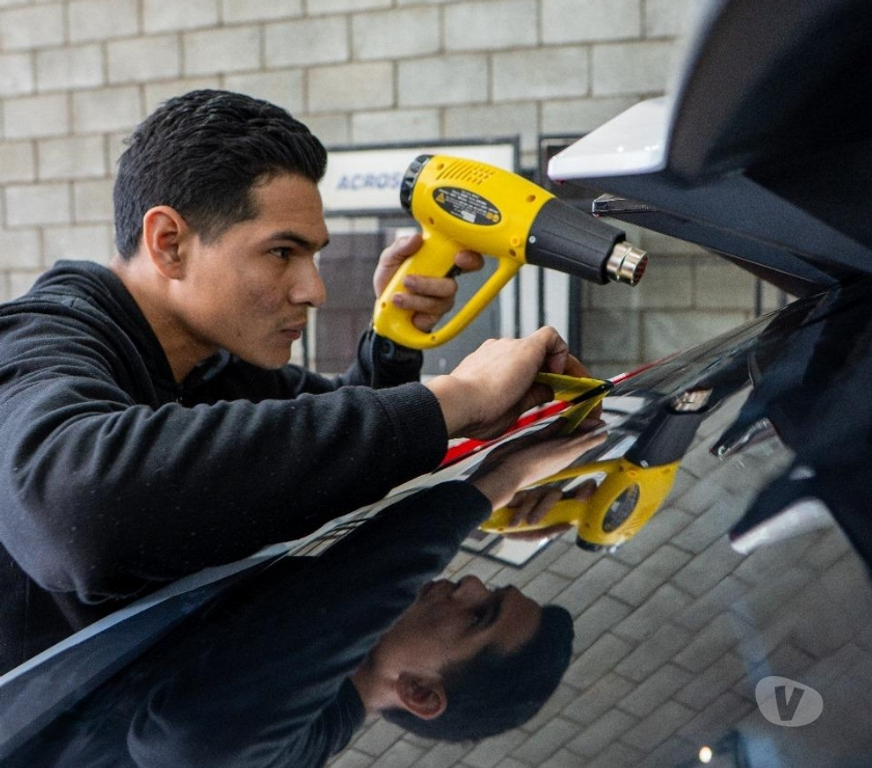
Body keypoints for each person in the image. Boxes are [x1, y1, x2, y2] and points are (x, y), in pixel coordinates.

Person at [0, 89, 592, 676]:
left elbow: (320, 444)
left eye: (312, 255)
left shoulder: (210, 363)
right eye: (282, 252)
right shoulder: (40, 341)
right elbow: (74, 509)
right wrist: (454, 398)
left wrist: (394, 344)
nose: (314, 290)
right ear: (169, 244)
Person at [2, 421, 604, 767]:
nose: (469, 583)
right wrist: (391, 362)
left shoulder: (293, 744)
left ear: (420, 693)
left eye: (480, 615)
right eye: (490, 589)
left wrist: (488, 488)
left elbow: (179, 740)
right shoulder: (320, 640)